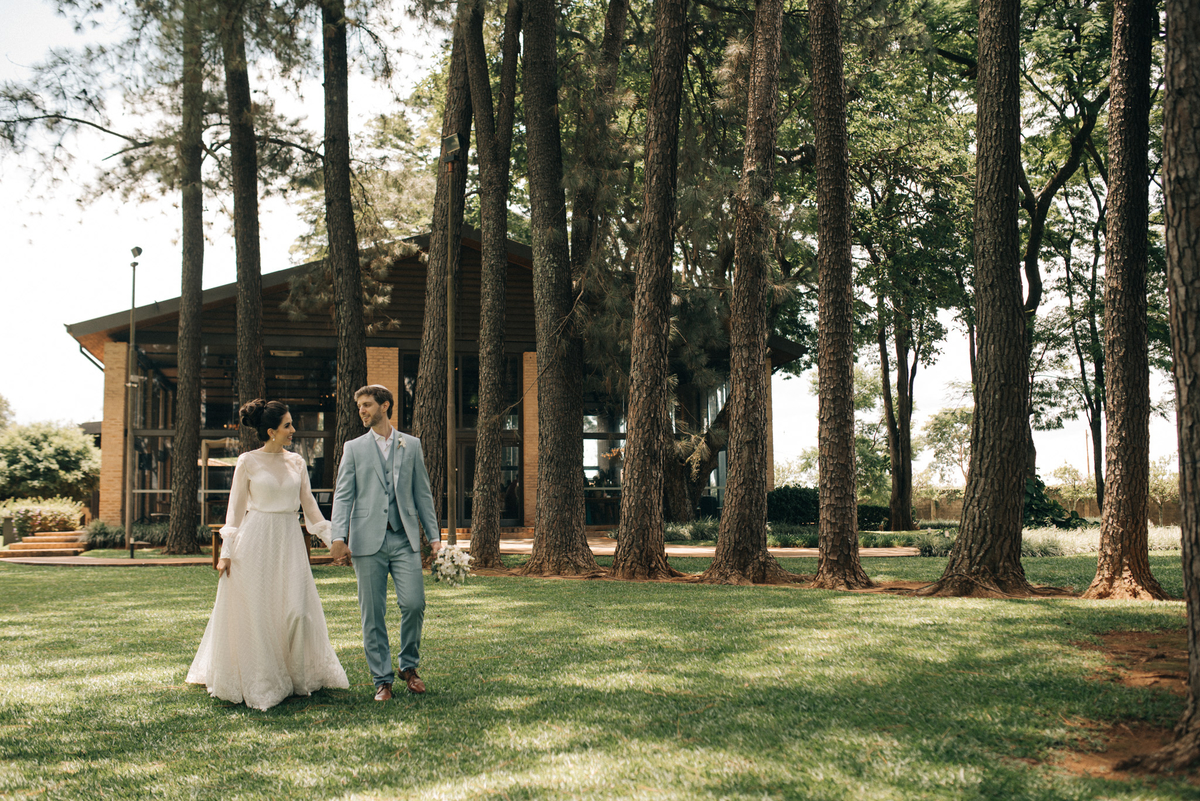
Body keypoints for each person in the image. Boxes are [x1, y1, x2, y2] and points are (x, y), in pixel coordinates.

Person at [186, 399, 349, 711]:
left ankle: (298, 675)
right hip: (255, 540)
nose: (293, 430)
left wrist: (334, 541)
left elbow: (311, 510)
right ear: (271, 431)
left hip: (289, 539)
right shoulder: (247, 462)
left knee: (297, 612)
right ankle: (263, 679)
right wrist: (227, 553)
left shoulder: (298, 463)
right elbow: (233, 514)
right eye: (288, 425)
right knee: (260, 612)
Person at [330, 384, 442, 702]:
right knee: (373, 613)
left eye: (367, 405)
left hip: (404, 538)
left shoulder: (412, 445)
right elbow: (344, 494)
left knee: (414, 603)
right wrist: (339, 536)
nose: (362, 411)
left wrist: (434, 540)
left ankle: (409, 665)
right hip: (367, 541)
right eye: (360, 406)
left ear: (385, 405)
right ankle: (383, 680)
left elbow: (423, 495)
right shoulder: (354, 448)